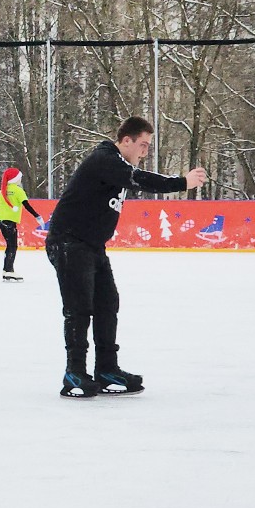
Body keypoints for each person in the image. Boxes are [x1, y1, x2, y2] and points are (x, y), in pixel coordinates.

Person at [46, 116, 206, 399]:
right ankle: (74, 374)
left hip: (92, 245)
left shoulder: (118, 166)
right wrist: (183, 182)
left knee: (108, 304)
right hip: (68, 242)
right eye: (142, 145)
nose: (145, 152)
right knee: (79, 308)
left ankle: (107, 369)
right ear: (126, 140)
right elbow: (140, 180)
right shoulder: (105, 159)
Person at [0, 167, 44, 282]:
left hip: (2, 221)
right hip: (10, 221)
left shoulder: (3, 190)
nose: (20, 180)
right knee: (13, 246)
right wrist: (37, 216)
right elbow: (26, 205)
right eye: (19, 178)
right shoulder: (18, 190)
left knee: (9, 245)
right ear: (15, 179)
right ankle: (9, 271)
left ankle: (6, 270)